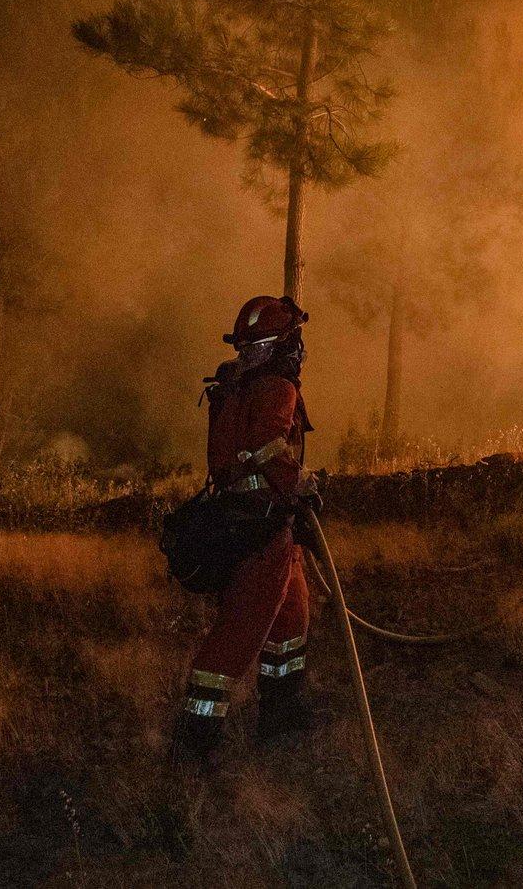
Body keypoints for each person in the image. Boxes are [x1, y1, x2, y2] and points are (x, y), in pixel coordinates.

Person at [173, 295, 320, 762]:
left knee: (291, 615)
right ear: (282, 343)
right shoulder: (276, 386)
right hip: (263, 522)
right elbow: (269, 446)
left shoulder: (237, 383)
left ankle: (281, 712)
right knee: (241, 628)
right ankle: (196, 740)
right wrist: (298, 485)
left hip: (260, 519)